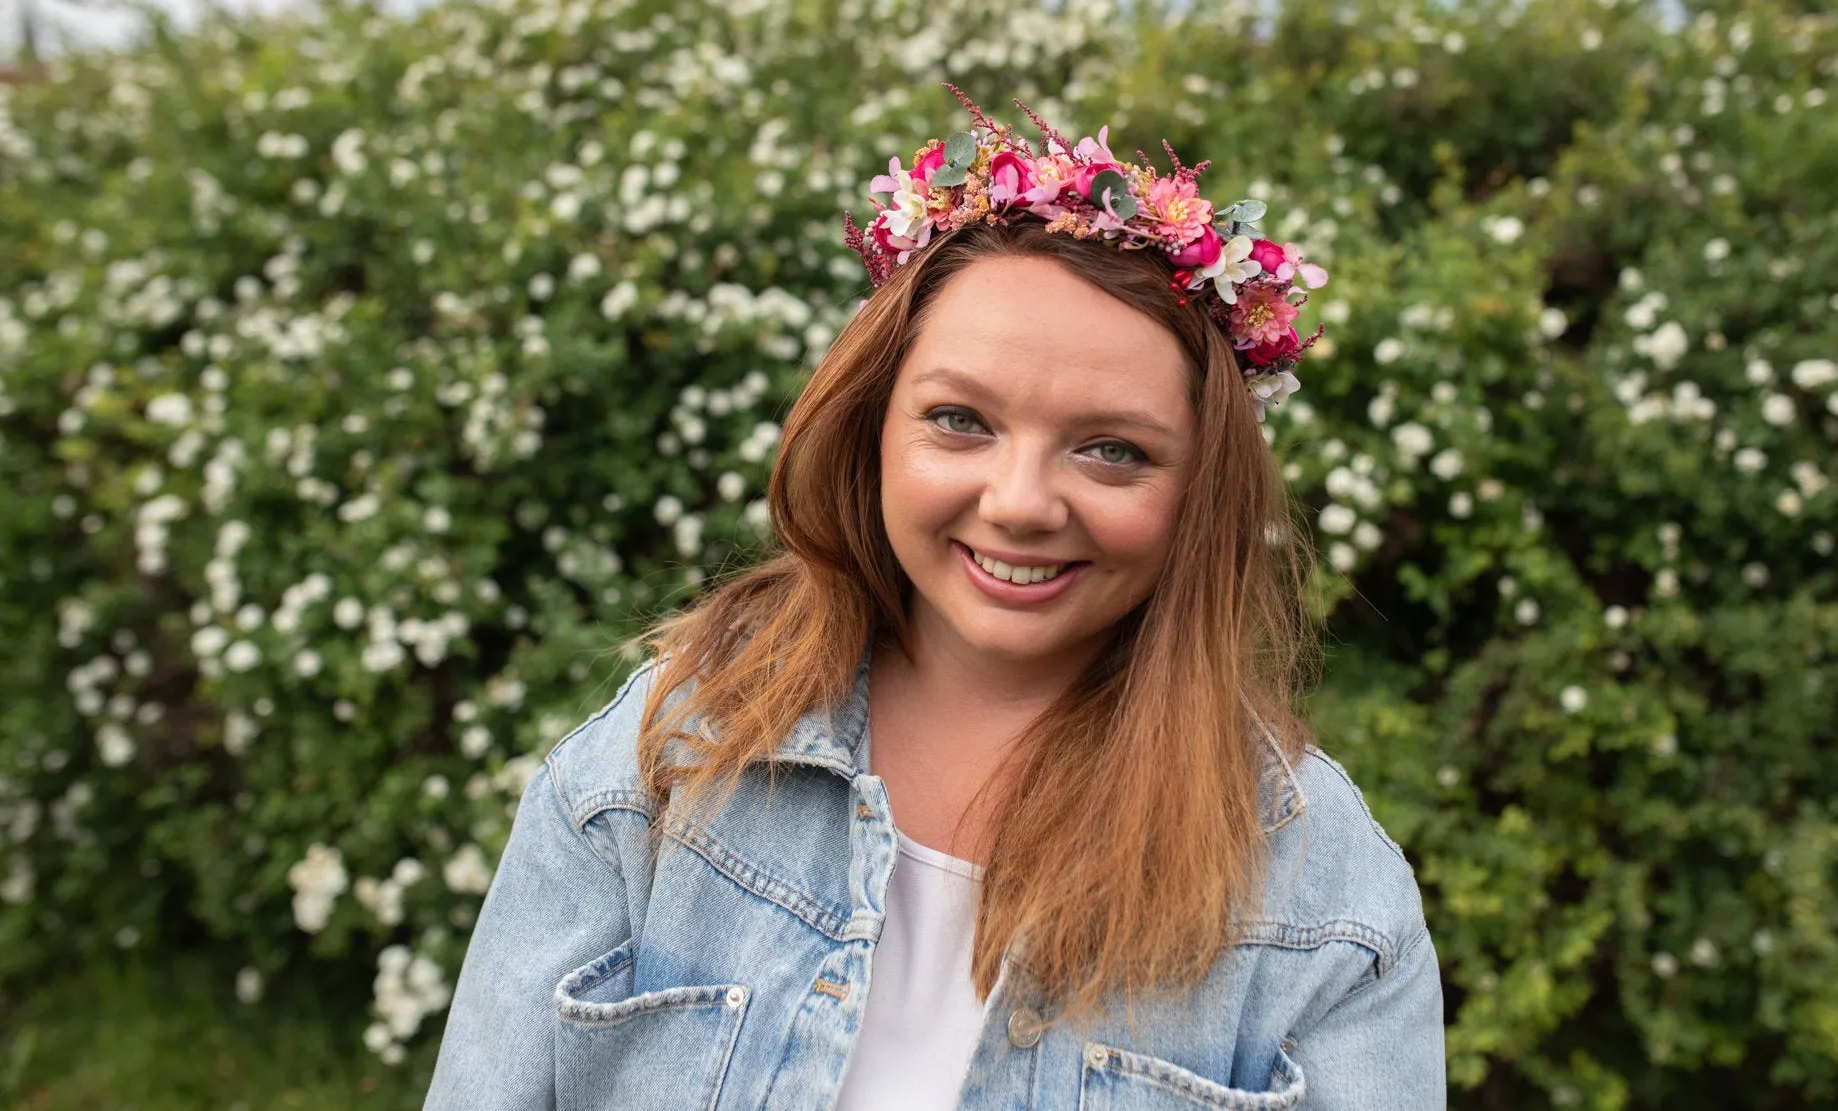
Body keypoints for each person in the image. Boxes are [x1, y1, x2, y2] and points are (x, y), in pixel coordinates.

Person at [424, 95, 1447, 1109]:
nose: (1018, 504)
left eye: (1111, 450)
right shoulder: (661, 759)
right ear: (871, 424)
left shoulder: (1325, 904)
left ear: (1200, 492)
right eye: (959, 420)